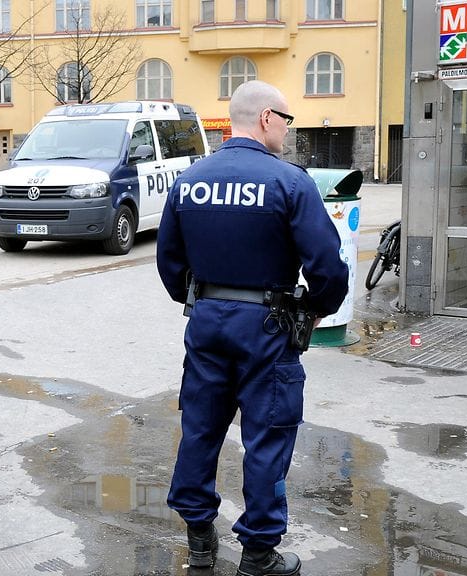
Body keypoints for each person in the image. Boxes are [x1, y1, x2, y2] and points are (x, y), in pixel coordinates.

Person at [156, 80, 348, 576]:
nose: (287, 129)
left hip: (207, 323)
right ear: (266, 118)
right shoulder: (289, 181)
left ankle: (200, 537)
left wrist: (201, 301)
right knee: (267, 434)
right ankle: (258, 554)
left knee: (200, 428)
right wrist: (317, 308)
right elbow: (327, 264)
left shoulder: (191, 179)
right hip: (269, 326)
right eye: (286, 119)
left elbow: (169, 261)